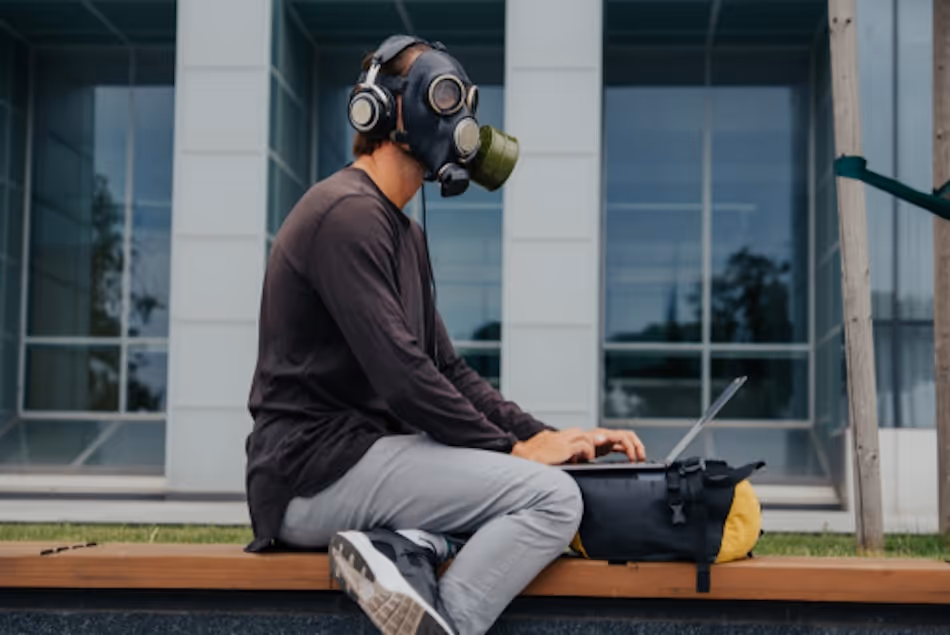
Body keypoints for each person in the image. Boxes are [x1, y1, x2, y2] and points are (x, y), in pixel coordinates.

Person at [244, 34, 646, 635]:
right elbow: (405, 378)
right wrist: (512, 452)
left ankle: (402, 548)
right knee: (552, 500)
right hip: (313, 474)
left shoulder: (405, 234)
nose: (458, 118)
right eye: (443, 95)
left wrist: (552, 437)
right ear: (385, 109)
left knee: (538, 483)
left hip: (363, 464)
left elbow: (447, 371)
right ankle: (444, 625)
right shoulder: (344, 215)